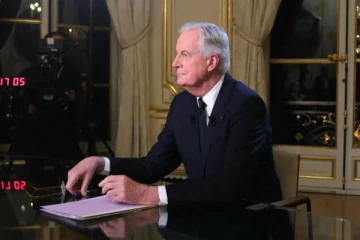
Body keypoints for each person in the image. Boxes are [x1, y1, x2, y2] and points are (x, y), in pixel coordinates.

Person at [66, 22, 283, 206]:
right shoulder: (182, 103)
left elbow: (229, 187)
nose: (175, 63)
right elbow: (152, 166)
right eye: (177, 54)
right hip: (204, 216)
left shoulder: (246, 105)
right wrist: (99, 163)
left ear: (212, 62)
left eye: (185, 55)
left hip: (251, 219)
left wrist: (146, 195)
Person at [8, 31, 84, 163]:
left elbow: (79, 96)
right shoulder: (31, 71)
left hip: (62, 129)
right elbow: (19, 95)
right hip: (34, 130)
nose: (55, 48)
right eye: (52, 44)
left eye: (60, 44)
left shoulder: (72, 71)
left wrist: (73, 96)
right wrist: (28, 106)